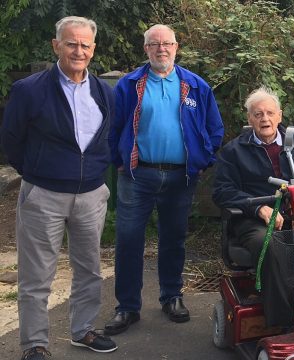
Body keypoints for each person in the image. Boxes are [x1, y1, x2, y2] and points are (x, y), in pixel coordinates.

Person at [0, 16, 118, 359]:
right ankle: (34, 344)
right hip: (44, 195)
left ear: (93, 50)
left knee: (89, 269)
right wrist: (37, 173)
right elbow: (12, 140)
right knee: (36, 276)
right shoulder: (30, 89)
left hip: (92, 195)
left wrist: (94, 171)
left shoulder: (103, 92)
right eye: (71, 43)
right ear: (56, 46)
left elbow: (106, 138)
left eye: (84, 45)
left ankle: (83, 330)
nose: (78, 51)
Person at [105, 24, 224, 335]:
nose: (161, 49)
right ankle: (127, 307)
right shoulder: (129, 85)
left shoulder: (196, 86)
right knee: (129, 241)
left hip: (180, 177)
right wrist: (118, 160)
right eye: (154, 44)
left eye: (167, 44)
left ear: (176, 47)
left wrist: (202, 160)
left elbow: (215, 129)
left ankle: (172, 297)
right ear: (146, 49)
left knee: (174, 239)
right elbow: (113, 128)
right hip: (137, 175)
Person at [212, 87, 294, 326]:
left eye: (269, 113)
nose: (264, 119)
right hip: (255, 220)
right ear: (249, 119)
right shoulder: (234, 151)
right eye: (257, 114)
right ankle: (283, 322)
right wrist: (257, 209)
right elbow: (223, 191)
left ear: (279, 115)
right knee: (271, 246)